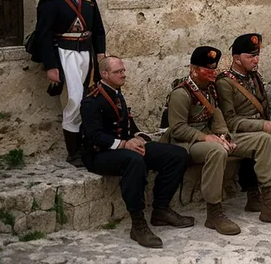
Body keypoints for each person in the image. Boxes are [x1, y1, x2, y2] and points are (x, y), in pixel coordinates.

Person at [80, 56, 194, 249]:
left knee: (177, 155)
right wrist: (124, 144)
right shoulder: (92, 100)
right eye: (118, 72)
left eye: (123, 70)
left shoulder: (116, 93)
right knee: (134, 161)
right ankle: (138, 223)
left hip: (124, 147)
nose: (124, 74)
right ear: (104, 74)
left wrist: (139, 136)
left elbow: (126, 123)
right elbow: (94, 136)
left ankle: (161, 209)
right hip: (99, 154)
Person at [216, 33, 271, 228]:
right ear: (237, 59)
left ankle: (266, 194)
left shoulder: (255, 77)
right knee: (264, 139)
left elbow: (264, 109)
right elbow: (230, 120)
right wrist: (263, 126)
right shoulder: (225, 82)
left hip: (257, 129)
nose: (256, 60)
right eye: (250, 56)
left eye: (257, 55)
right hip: (236, 132)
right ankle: (267, 202)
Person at [34, 0, 106, 167]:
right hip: (66, 54)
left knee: (89, 99)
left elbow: (98, 30)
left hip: (87, 54)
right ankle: (72, 151)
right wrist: (51, 66)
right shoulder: (53, 2)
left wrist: (100, 55)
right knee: (73, 99)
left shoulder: (90, 0)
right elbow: (43, 36)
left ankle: (88, 144)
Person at [159, 46, 241, 235]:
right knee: (217, 151)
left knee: (250, 143)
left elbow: (216, 115)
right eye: (208, 70)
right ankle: (214, 212)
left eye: (214, 69)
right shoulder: (181, 93)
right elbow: (178, 128)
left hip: (206, 137)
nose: (213, 73)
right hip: (184, 143)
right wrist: (206, 138)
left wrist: (223, 136)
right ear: (193, 69)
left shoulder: (210, 89)